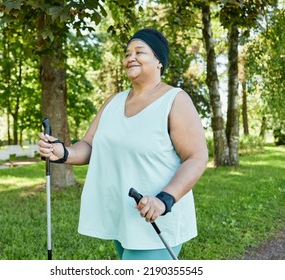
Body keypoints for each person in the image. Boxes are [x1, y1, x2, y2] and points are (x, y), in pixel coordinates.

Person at [38, 28, 208, 260]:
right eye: (127, 54)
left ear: (159, 61)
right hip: (122, 219)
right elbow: (89, 144)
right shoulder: (113, 102)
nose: (131, 58)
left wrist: (164, 200)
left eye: (139, 52)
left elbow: (196, 157)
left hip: (155, 219)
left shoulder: (175, 100)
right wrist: (63, 152)